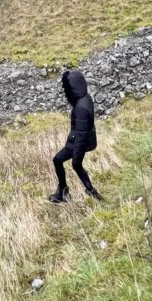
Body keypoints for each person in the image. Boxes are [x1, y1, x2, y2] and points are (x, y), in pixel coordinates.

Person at [49, 68, 102, 203]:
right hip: (84, 139)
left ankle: (63, 192)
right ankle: (91, 191)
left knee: (59, 160)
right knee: (75, 165)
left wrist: (76, 156)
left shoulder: (80, 107)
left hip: (78, 141)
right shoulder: (86, 98)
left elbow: (81, 134)